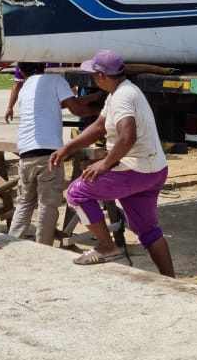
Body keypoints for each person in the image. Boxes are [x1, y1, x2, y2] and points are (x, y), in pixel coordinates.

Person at [50, 49, 174, 275]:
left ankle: (107, 247)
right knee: (148, 230)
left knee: (77, 193)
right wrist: (68, 147)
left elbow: (128, 136)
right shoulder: (120, 93)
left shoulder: (123, 97)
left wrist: (105, 163)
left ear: (101, 76)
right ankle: (172, 281)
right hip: (153, 170)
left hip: (137, 169)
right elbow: (99, 126)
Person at [9, 62, 96, 245]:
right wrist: (103, 111)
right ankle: (44, 247)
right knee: (47, 205)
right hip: (48, 154)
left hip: (25, 153)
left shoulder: (25, 88)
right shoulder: (55, 80)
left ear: (22, 71)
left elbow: (58, 105)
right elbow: (76, 109)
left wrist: (95, 96)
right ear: (44, 66)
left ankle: (12, 241)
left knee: (24, 202)